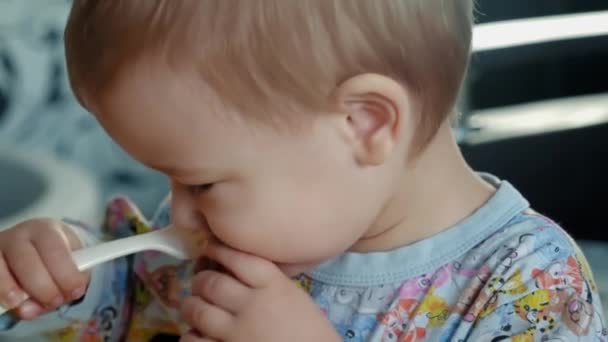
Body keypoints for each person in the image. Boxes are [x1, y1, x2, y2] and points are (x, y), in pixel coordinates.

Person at [0, 1, 606, 341]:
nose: (177, 214)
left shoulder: (528, 287)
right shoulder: (218, 236)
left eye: (201, 182)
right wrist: (67, 275)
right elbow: (133, 304)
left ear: (364, 125)